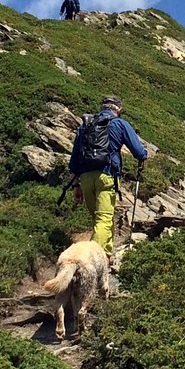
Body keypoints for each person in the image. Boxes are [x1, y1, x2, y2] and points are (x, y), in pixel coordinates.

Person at [68, 95, 147, 260]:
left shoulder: (86, 125)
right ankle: (90, 260)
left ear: (102, 107)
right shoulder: (119, 123)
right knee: (104, 219)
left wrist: (76, 186)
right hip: (107, 175)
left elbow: (75, 158)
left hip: (85, 178)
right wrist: (143, 156)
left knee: (99, 219)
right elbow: (139, 152)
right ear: (119, 109)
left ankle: (106, 254)